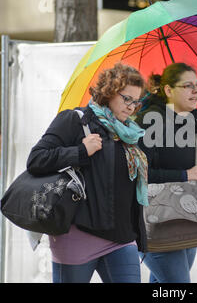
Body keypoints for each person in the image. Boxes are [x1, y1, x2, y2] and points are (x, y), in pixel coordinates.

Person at [26, 63, 148, 283]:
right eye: (126, 98)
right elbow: (36, 159)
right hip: (78, 236)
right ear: (109, 91)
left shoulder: (129, 135)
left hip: (121, 238)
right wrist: (81, 151)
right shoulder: (75, 120)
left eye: (136, 102)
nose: (131, 107)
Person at [135, 62, 197, 283]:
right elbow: (138, 175)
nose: (195, 91)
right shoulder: (148, 120)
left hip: (187, 219)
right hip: (153, 221)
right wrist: (185, 175)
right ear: (168, 90)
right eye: (187, 85)